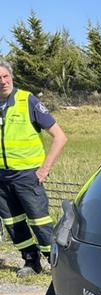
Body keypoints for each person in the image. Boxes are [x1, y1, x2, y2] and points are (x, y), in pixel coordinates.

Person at [0, 59, 67, 277]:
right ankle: (31, 261)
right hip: (2, 178)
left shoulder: (27, 100)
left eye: (5, 76)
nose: (2, 82)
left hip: (28, 175)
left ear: (12, 77)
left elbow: (60, 137)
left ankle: (56, 264)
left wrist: (44, 169)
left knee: (39, 221)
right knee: (12, 222)